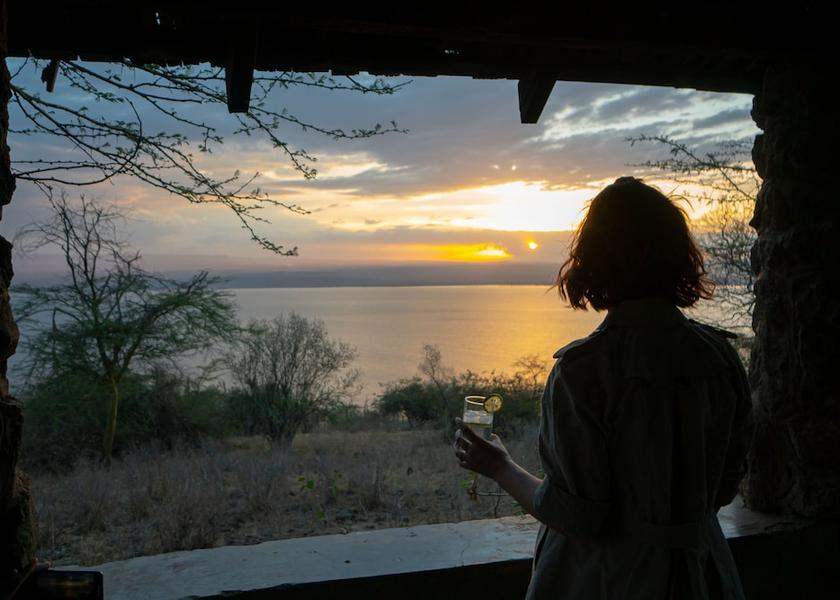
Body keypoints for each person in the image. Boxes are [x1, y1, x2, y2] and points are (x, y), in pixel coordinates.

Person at [452, 176, 754, 600]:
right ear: (678, 256)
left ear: (593, 260)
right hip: (705, 577)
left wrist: (499, 467)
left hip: (611, 581)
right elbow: (725, 487)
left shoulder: (584, 371)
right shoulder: (720, 358)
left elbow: (576, 514)